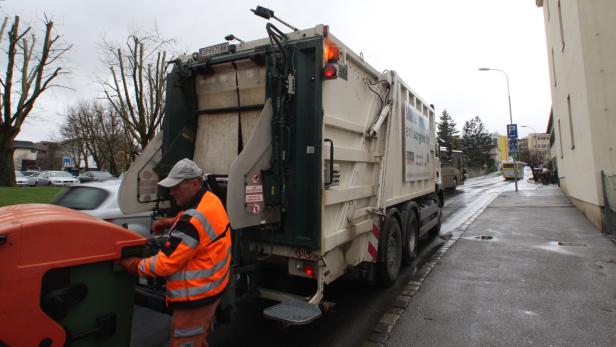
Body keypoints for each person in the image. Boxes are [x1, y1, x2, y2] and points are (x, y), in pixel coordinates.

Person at [121, 158, 231, 347]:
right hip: (212, 290)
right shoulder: (211, 200)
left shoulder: (192, 222)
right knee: (198, 339)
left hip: (195, 299)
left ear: (195, 183)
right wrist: (170, 221)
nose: (171, 192)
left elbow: (164, 265)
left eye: (176, 187)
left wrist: (133, 265)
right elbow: (197, 218)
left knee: (185, 342)